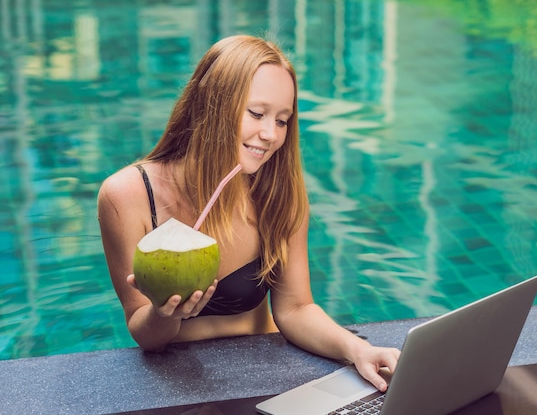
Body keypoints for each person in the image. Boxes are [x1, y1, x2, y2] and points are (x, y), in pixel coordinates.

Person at [97, 34, 400, 391]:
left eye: (283, 120)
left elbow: (295, 309)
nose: (271, 134)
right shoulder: (127, 195)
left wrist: (357, 349)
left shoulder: (276, 192)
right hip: (181, 384)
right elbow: (146, 335)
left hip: (274, 373)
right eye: (256, 113)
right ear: (211, 105)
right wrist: (164, 315)